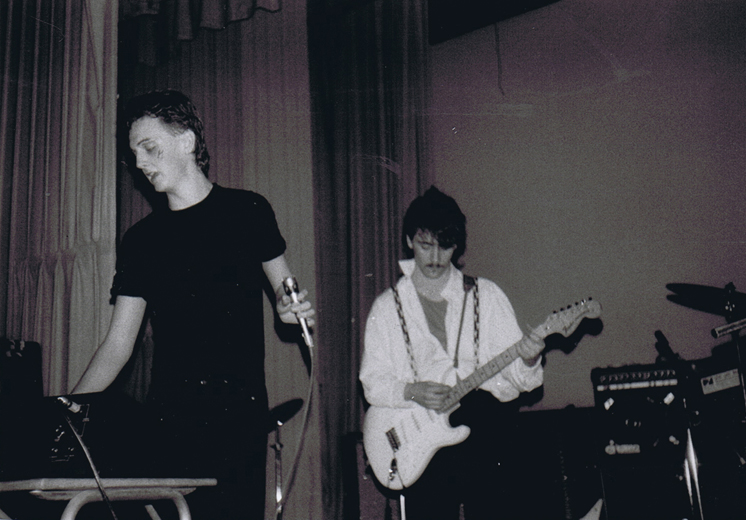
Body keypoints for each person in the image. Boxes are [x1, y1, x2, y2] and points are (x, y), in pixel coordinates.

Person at [72, 90, 315, 519]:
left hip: (239, 418)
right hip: (171, 419)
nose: (140, 163)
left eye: (149, 147)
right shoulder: (141, 241)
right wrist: (69, 410)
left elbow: (285, 289)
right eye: (134, 153)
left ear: (186, 141)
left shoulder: (249, 211)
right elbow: (118, 345)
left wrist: (287, 309)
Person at [359, 186, 544, 520]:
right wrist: (411, 391)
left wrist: (529, 358)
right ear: (408, 240)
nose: (435, 257)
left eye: (445, 246)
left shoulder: (486, 296)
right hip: (423, 444)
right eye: (425, 244)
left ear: (456, 245)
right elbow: (372, 383)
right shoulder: (386, 309)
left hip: (486, 434)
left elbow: (522, 380)